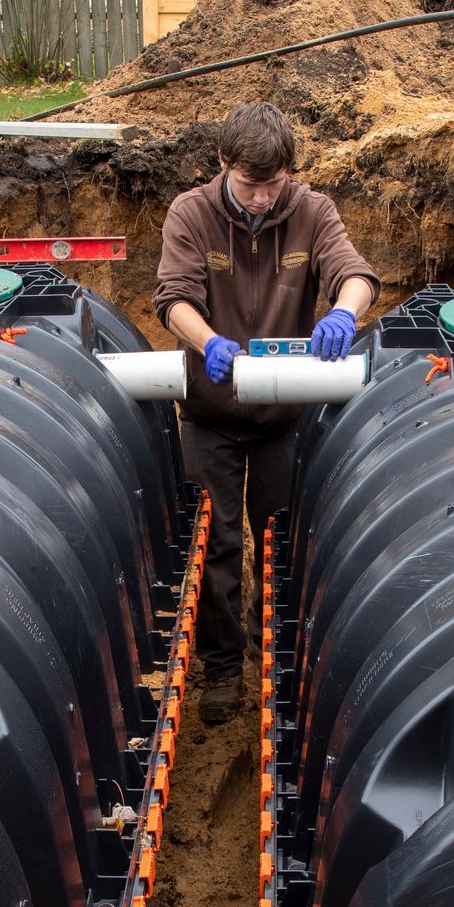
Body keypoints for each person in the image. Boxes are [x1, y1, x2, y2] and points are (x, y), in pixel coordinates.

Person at [153, 103, 380, 726]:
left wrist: (343, 313)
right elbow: (173, 298)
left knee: (279, 540)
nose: (260, 199)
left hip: (283, 417)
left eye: (272, 184)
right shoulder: (191, 213)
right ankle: (224, 667)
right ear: (223, 164)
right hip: (211, 412)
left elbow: (353, 272)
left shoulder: (311, 211)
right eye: (249, 184)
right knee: (219, 544)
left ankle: (274, 660)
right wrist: (208, 343)